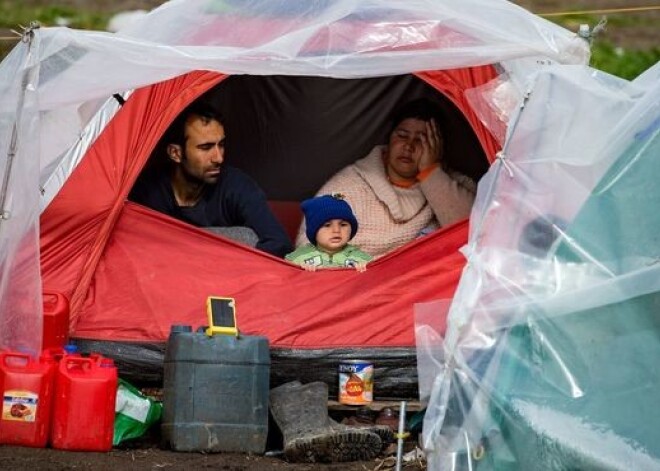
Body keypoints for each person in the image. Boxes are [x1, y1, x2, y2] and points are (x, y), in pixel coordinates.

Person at [296, 97, 477, 258]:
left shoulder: (456, 187)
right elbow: (308, 247)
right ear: (389, 140)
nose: (408, 146)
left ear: (437, 148)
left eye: (422, 140)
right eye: (402, 136)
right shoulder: (349, 185)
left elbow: (474, 237)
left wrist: (430, 172)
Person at [129, 101, 292, 258]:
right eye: (206, 148)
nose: (219, 158)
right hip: (165, 278)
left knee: (248, 236)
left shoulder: (236, 186)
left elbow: (279, 243)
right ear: (176, 153)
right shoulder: (147, 192)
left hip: (225, 280)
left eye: (221, 144)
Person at [286, 194, 372, 271]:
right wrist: (298, 272)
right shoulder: (298, 258)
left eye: (343, 224)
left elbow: (375, 281)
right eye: (327, 225)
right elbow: (284, 277)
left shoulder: (362, 259)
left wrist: (366, 272)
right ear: (314, 231)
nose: (336, 230)